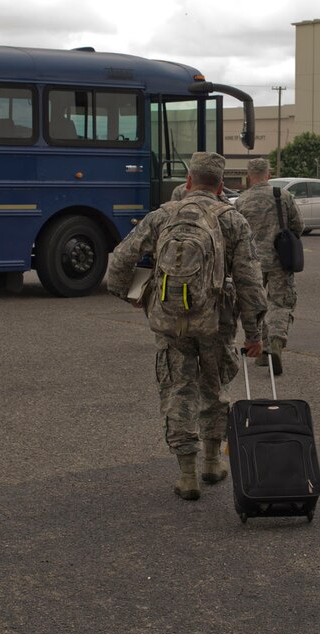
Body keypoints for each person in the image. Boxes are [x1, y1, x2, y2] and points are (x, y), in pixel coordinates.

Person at [107, 152, 266, 501]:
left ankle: (187, 475)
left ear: (189, 181)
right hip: (217, 321)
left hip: (170, 321)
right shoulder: (233, 219)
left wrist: (133, 295)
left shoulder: (163, 215)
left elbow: (120, 260)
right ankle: (212, 462)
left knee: (178, 390)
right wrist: (254, 334)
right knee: (214, 387)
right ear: (221, 186)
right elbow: (250, 281)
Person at [234, 157, 304, 375]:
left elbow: (235, 233)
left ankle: (262, 350)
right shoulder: (281, 196)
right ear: (269, 174)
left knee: (256, 304)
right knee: (280, 303)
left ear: (248, 176)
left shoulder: (241, 201)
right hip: (279, 259)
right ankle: (275, 342)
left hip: (251, 261)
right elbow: (298, 226)